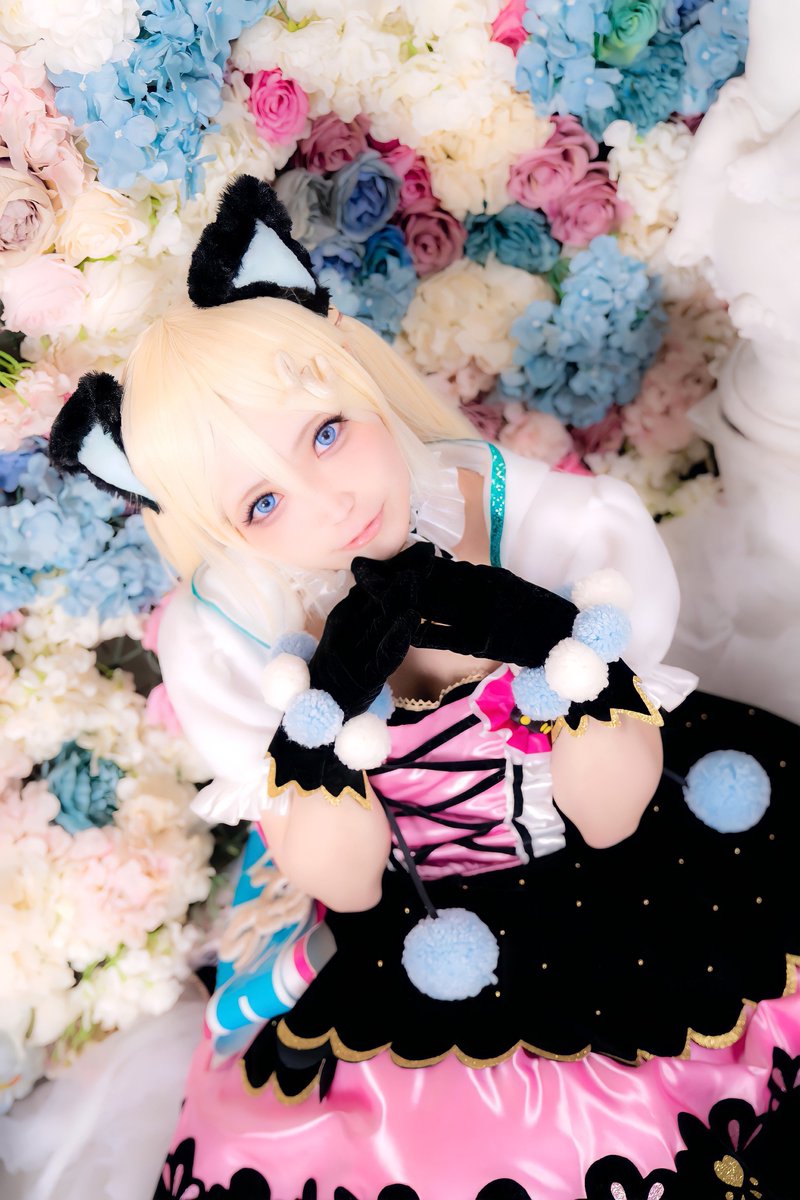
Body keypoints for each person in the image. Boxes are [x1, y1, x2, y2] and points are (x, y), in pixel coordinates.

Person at [49, 179, 800, 1200]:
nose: (333, 502)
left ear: (357, 376)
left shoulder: (533, 516)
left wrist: (540, 635)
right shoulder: (225, 635)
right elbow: (350, 885)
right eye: (262, 503)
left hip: (621, 852)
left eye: (326, 433)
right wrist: (325, 712)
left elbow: (611, 815)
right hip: (405, 906)